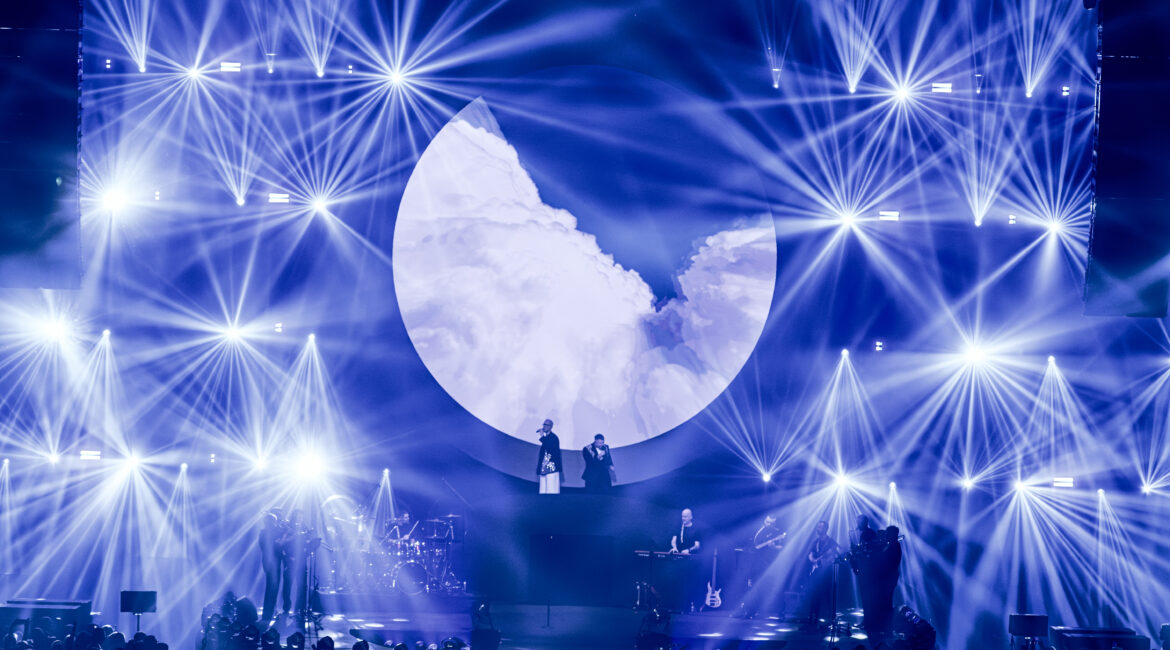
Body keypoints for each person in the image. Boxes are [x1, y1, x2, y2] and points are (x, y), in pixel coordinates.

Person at [805, 520, 840, 628]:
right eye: (818, 526)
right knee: (813, 594)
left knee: (827, 595)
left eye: (821, 527)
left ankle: (830, 619)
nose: (818, 528)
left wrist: (824, 560)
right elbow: (811, 553)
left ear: (826, 529)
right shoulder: (816, 542)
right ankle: (813, 617)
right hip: (816, 571)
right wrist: (812, 560)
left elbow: (835, 554)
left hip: (826, 573)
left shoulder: (831, 542)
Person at [257, 513, 283, 623]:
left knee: (272, 588)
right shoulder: (270, 533)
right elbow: (277, 546)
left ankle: (271, 612)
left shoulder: (263, 533)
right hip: (273, 563)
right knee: (272, 589)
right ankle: (268, 615)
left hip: (268, 563)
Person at [536, 419, 563, 494]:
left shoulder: (554, 437)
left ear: (551, 427)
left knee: (551, 488)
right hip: (543, 467)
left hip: (552, 467)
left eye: (546, 425)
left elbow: (550, 448)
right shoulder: (546, 438)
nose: (544, 427)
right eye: (543, 424)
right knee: (543, 489)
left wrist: (542, 437)